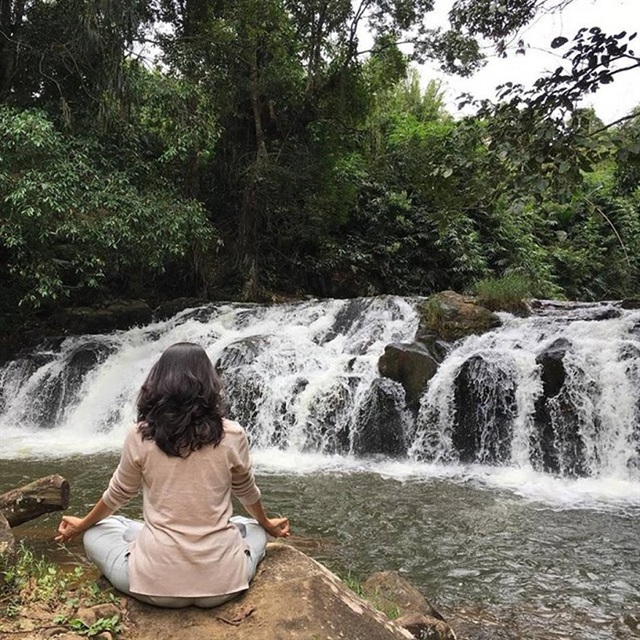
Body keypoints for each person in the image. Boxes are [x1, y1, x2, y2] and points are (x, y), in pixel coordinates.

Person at [55, 342, 290, 608]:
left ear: (158, 381)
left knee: (96, 532)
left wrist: (82, 525)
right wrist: (267, 523)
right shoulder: (233, 434)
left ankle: (149, 537)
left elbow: (117, 494)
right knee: (252, 527)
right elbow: (247, 492)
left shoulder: (140, 435)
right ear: (210, 383)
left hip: (155, 586)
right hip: (223, 585)